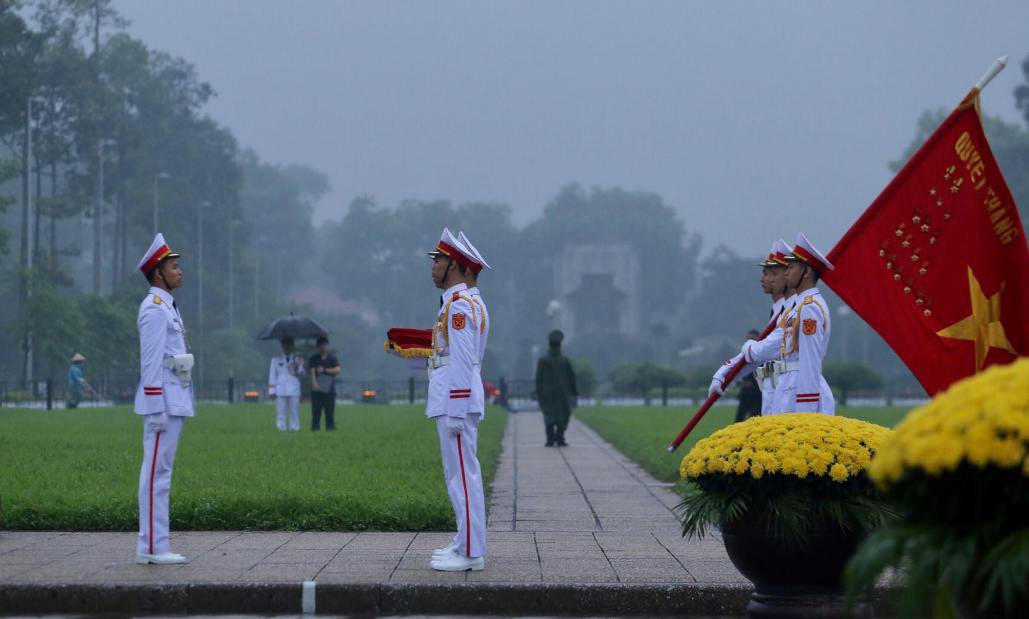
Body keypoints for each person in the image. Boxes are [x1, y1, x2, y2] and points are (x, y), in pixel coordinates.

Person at [425, 228, 491, 572]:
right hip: (453, 396)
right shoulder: (457, 304)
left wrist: (456, 407)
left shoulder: (460, 307)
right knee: (460, 475)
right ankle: (466, 539)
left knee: (462, 476)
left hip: (457, 400)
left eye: (438, 260)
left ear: (457, 265)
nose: (433, 266)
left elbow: (464, 360)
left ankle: (470, 551)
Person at [133, 233, 194, 565]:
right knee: (157, 473)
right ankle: (153, 547)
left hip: (175, 397)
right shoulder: (154, 309)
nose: (179, 271)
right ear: (158, 272)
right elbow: (150, 360)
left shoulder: (167, 307)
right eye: (174, 266)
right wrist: (156, 407)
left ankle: (155, 544)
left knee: (161, 471)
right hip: (164, 402)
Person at [741, 233, 836, 415]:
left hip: (800, 391)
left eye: (791, 268)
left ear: (806, 272)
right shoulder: (798, 307)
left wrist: (806, 411)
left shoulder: (810, 308)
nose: (786, 273)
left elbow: (810, 361)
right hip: (788, 388)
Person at [709, 239, 790, 417]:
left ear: (787, 276)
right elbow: (755, 356)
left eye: (771, 273)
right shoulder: (778, 309)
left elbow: (761, 351)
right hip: (774, 388)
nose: (764, 279)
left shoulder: (791, 311)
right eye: (766, 273)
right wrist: (724, 374)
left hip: (790, 391)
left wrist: (748, 346)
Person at [535, 330, 578, 446]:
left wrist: (538, 392)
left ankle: (550, 439)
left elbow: (539, 379)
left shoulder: (543, 360)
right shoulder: (564, 360)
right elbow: (571, 378)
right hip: (562, 393)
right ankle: (560, 437)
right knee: (562, 415)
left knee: (549, 416)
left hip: (546, 393)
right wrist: (573, 392)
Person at [268, 337, 305, 431]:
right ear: (282, 346)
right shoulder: (276, 359)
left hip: (294, 389)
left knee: (294, 413)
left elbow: (301, 375)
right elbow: (272, 376)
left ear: (292, 346)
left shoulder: (298, 359)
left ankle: (295, 428)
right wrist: (271, 390)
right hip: (280, 390)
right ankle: (281, 428)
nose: (287, 347)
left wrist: (297, 367)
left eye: (289, 344)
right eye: (285, 345)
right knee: (280, 413)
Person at [309, 335, 341, 431]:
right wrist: (314, 384)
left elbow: (337, 370)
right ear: (317, 347)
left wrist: (325, 370)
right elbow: (312, 371)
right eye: (320, 345)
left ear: (327, 346)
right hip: (317, 390)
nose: (322, 347)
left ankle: (330, 428)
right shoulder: (314, 358)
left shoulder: (332, 358)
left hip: (329, 389)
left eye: (324, 345)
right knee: (316, 412)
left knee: (329, 411)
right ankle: (315, 429)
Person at [734, 330, 762, 422]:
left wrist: (752, 382)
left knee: (755, 418)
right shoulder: (744, 355)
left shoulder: (763, 355)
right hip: (745, 394)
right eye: (748, 339)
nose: (749, 341)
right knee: (739, 419)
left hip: (758, 394)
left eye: (752, 339)